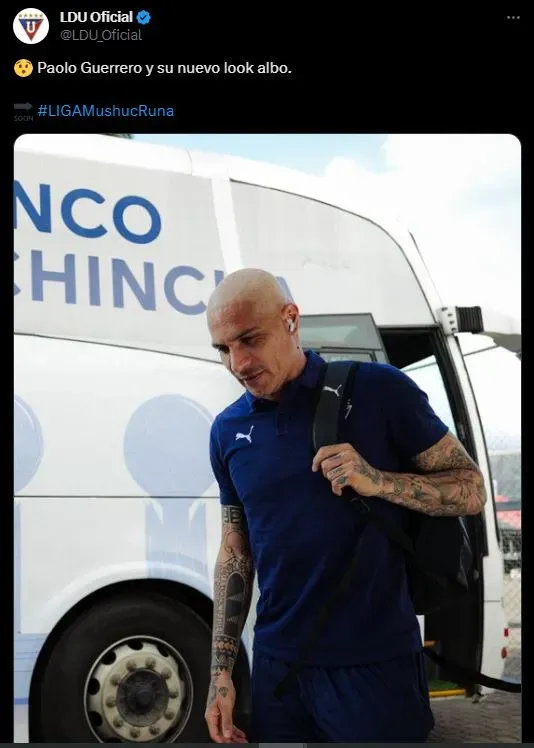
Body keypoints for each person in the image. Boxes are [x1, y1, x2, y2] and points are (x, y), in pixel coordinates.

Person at [204, 268, 486, 743]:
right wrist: (221, 675)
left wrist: (376, 480)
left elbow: (471, 488)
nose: (238, 363)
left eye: (249, 339)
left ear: (291, 320)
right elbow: (236, 549)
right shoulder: (227, 430)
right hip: (279, 668)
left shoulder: (378, 390)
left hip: (375, 666)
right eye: (223, 349)